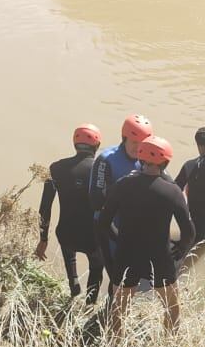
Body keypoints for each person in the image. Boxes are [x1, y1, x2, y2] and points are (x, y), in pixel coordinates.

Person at [95, 136, 195, 335]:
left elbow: (103, 223)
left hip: (126, 254)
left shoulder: (122, 185)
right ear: (166, 162)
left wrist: (118, 239)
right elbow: (189, 231)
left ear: (140, 159)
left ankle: (116, 346)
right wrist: (179, 251)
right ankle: (170, 345)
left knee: (119, 308)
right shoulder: (172, 191)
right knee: (171, 307)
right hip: (159, 256)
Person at [36, 124, 106, 304]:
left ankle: (74, 287)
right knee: (96, 268)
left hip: (65, 233)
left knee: (69, 254)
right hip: (93, 237)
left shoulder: (55, 168)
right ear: (97, 146)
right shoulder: (102, 172)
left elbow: (44, 208)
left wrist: (43, 239)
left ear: (75, 144)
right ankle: (90, 304)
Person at [89, 114, 154, 297]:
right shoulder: (106, 160)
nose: (137, 147)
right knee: (117, 276)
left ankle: (123, 309)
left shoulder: (147, 158)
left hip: (132, 225)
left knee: (132, 275)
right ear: (124, 138)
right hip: (108, 226)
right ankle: (111, 313)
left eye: (142, 142)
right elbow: (95, 200)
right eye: (133, 141)